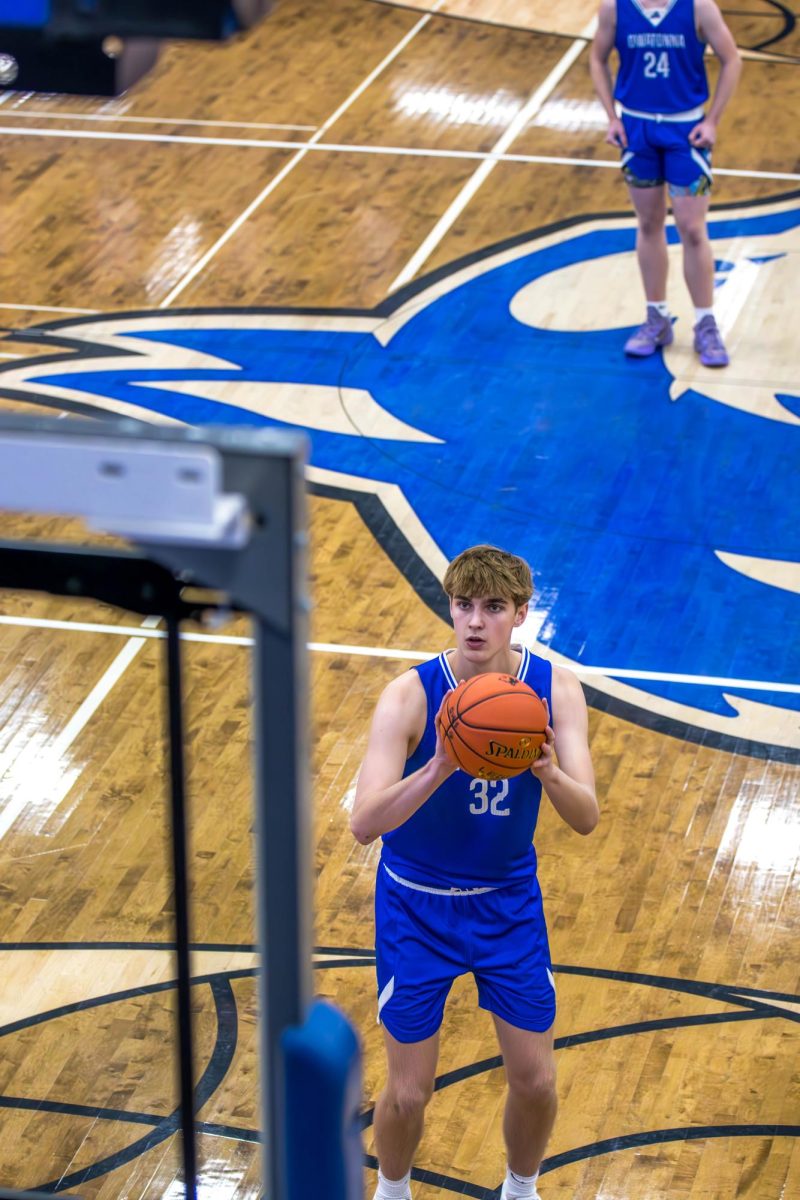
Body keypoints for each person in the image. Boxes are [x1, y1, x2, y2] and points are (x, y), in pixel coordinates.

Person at [350, 545, 598, 1200]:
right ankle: (393, 1191)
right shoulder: (410, 694)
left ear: (521, 613)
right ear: (451, 608)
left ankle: (521, 1188)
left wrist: (547, 771)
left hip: (506, 903)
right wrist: (438, 765)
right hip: (416, 905)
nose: (476, 622)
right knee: (406, 1094)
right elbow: (362, 822)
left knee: (537, 1081)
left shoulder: (555, 689)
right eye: (464, 606)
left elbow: (587, 815)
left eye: (493, 608)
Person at [589, 0, 741, 366]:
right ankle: (656, 318)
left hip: (684, 130)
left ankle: (706, 323)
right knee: (648, 222)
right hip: (637, 129)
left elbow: (732, 59)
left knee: (691, 228)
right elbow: (597, 58)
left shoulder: (699, 7)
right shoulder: (613, 7)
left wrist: (714, 121)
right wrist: (612, 116)